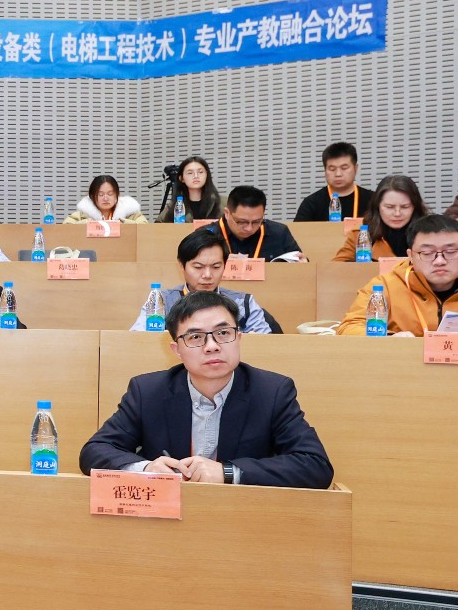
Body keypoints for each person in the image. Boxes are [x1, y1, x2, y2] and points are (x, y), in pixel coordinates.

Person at [82, 291, 333, 488]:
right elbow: (94, 452)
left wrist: (228, 472)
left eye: (223, 333)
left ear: (239, 338)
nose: (212, 346)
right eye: (195, 337)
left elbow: (316, 466)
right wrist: (146, 469)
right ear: (176, 350)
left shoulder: (272, 392)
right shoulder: (147, 391)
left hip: (242, 519)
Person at [129, 226, 272, 334]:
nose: (207, 275)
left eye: (216, 267)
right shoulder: (161, 301)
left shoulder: (244, 303)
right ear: (181, 265)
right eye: (198, 267)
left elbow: (266, 345)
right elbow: (138, 340)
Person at [332, 176, 428, 261]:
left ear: (415, 207)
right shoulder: (361, 233)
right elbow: (338, 267)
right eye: (389, 207)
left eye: (405, 207)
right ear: (377, 206)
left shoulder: (429, 233)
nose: (397, 213)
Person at [292, 142, 375, 222]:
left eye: (344, 168)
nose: (338, 174)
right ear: (325, 170)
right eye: (332, 169)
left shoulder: (373, 200)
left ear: (355, 169)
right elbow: (297, 231)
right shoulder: (311, 203)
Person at [216, 186, 303, 261]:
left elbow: (300, 262)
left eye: (256, 221)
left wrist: (303, 263)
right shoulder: (210, 234)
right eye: (242, 222)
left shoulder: (279, 233)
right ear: (227, 213)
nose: (249, 228)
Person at [155, 156, 220, 222]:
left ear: (207, 175)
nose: (196, 176)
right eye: (190, 173)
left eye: (200, 172)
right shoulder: (176, 204)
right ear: (181, 178)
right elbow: (157, 225)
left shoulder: (221, 203)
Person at [65, 176, 148, 224]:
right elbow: (66, 228)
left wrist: (125, 223)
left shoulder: (130, 212)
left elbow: (145, 227)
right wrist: (85, 223)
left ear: (117, 195)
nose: (105, 198)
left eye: (110, 194)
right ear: (92, 196)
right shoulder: (82, 214)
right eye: (100, 194)